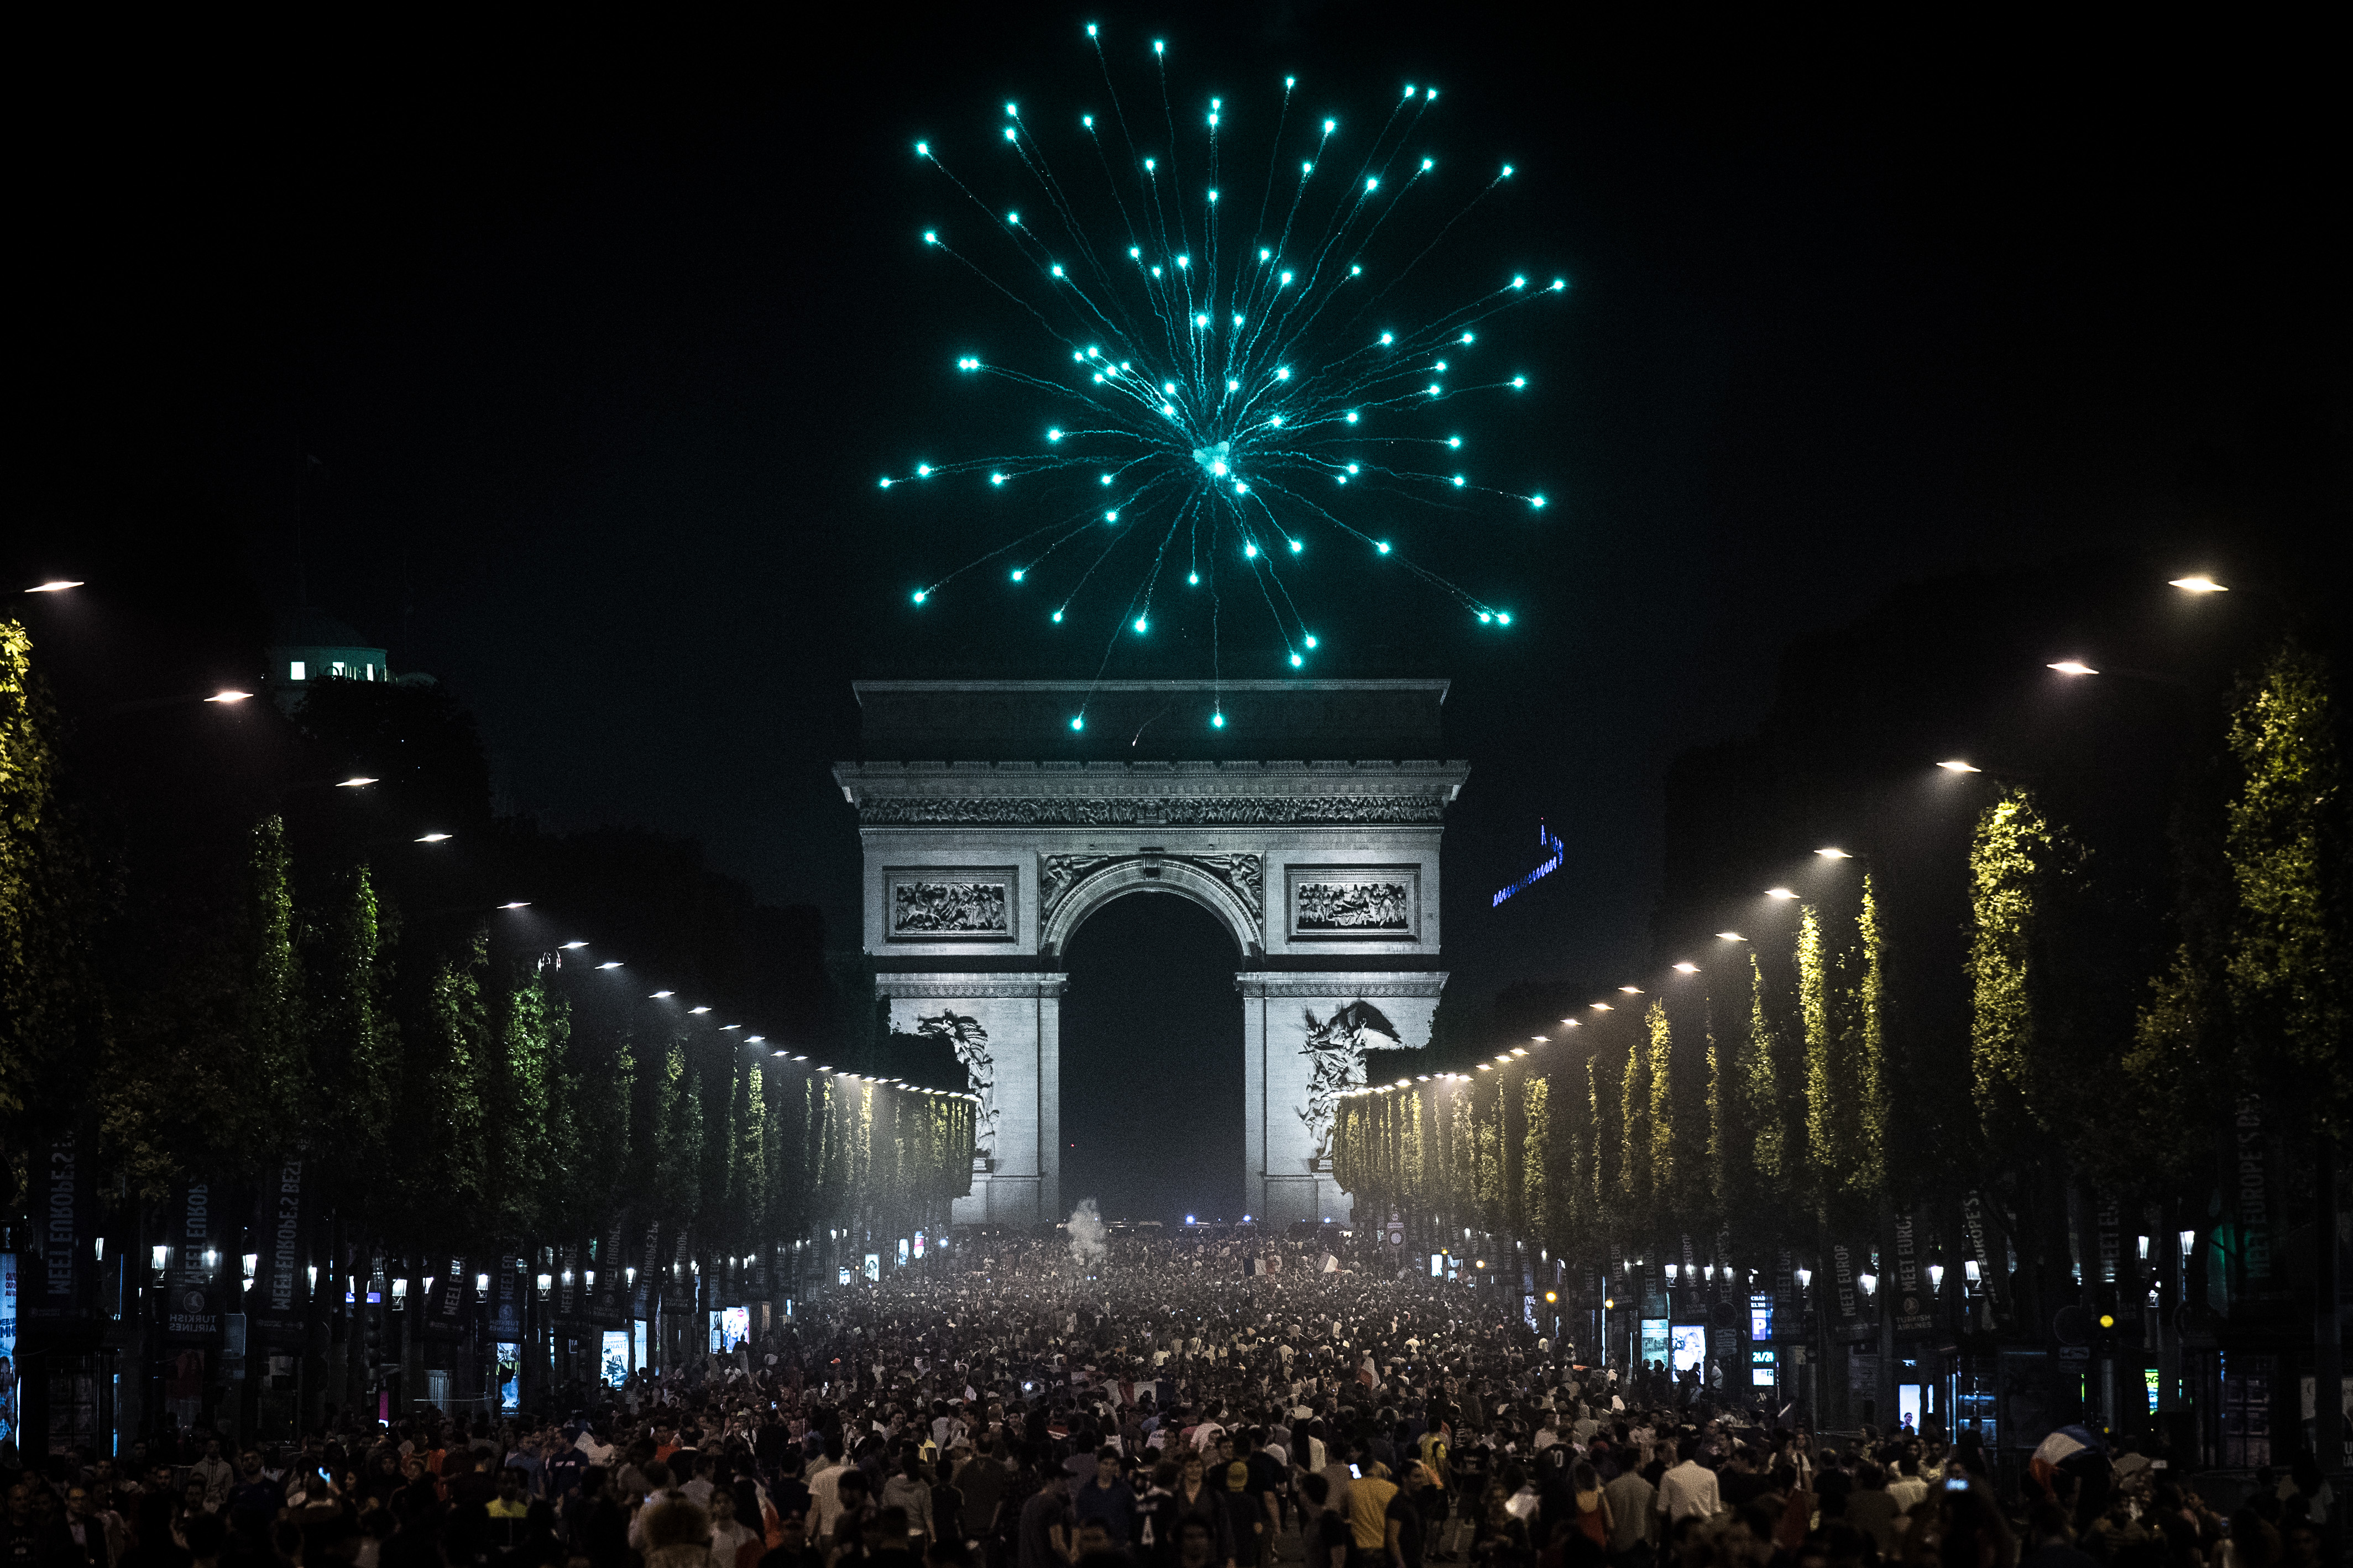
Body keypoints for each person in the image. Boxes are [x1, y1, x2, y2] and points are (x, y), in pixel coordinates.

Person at [1073, 1451, 1137, 1551]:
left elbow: (1133, 1517)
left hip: (1119, 1546)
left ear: (1117, 1467)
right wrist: (1075, 1548)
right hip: (1093, 1547)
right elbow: (1079, 1520)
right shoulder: (1087, 1490)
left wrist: (1131, 1540)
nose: (1109, 1468)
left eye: (1113, 1464)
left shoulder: (1125, 1490)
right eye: (1105, 1463)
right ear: (1098, 1464)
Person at [1650, 1443, 1717, 1530]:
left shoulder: (1669, 1475)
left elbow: (1662, 1510)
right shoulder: (1710, 1475)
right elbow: (1715, 1509)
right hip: (1704, 1529)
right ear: (1695, 1455)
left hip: (1680, 1530)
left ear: (1677, 1455)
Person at [1019, 1469, 1074, 1568]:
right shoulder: (1053, 1504)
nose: (1066, 1484)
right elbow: (1057, 1544)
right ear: (1049, 1481)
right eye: (1062, 1480)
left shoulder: (1030, 1502)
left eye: (1067, 1480)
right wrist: (1073, 1563)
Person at [1349, 1464, 1399, 1568]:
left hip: (1360, 1546)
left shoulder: (1351, 1487)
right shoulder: (1392, 1489)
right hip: (1384, 1545)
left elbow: (1343, 1511)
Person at [1387, 1464, 1428, 1568]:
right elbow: (1392, 1537)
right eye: (1416, 1477)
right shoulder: (1398, 1503)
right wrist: (1400, 1563)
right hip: (1405, 1562)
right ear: (1405, 1479)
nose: (1421, 1481)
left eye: (1422, 1477)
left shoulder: (1413, 1501)